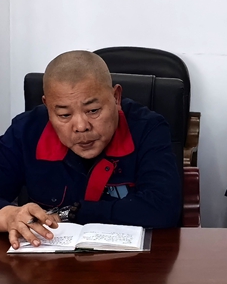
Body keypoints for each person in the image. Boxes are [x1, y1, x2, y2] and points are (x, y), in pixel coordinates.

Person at [0, 51, 182, 249]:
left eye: (93, 111)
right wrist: (8, 215)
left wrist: (74, 214)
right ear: (47, 107)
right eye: (64, 115)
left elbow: (164, 208)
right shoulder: (25, 131)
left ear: (116, 97)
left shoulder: (148, 128)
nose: (81, 126)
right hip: (45, 262)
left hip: (130, 262)